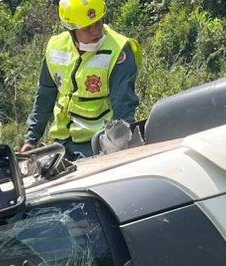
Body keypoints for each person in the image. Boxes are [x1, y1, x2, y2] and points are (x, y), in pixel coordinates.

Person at [22, 0, 140, 160]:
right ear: (71, 29)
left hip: (99, 145)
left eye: (98, 22)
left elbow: (124, 106)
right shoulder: (56, 48)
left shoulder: (119, 51)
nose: (96, 31)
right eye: (87, 27)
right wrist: (32, 139)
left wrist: (119, 149)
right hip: (61, 145)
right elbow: (45, 97)